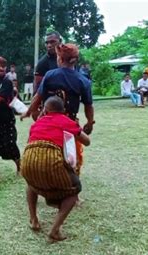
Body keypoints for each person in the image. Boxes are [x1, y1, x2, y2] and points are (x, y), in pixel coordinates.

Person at [22, 43, 94, 206]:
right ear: (74, 60)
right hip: (69, 125)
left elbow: (38, 98)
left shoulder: (50, 75)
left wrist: (28, 111)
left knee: (41, 155)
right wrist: (90, 122)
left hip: (47, 123)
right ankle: (71, 193)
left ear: (60, 58)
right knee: (72, 160)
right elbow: (89, 106)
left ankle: (41, 187)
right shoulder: (83, 80)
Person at [21, 96, 90, 243]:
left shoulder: (37, 123)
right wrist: (75, 130)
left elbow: (30, 142)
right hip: (51, 161)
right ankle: (54, 230)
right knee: (74, 189)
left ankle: (33, 219)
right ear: (63, 110)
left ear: (45, 110)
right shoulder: (66, 121)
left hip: (28, 160)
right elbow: (87, 141)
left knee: (31, 184)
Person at [32, 31, 62, 119]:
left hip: (67, 105)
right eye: (47, 43)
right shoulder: (42, 63)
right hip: (50, 106)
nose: (49, 45)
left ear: (59, 41)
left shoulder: (67, 59)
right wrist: (35, 108)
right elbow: (37, 86)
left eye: (52, 42)